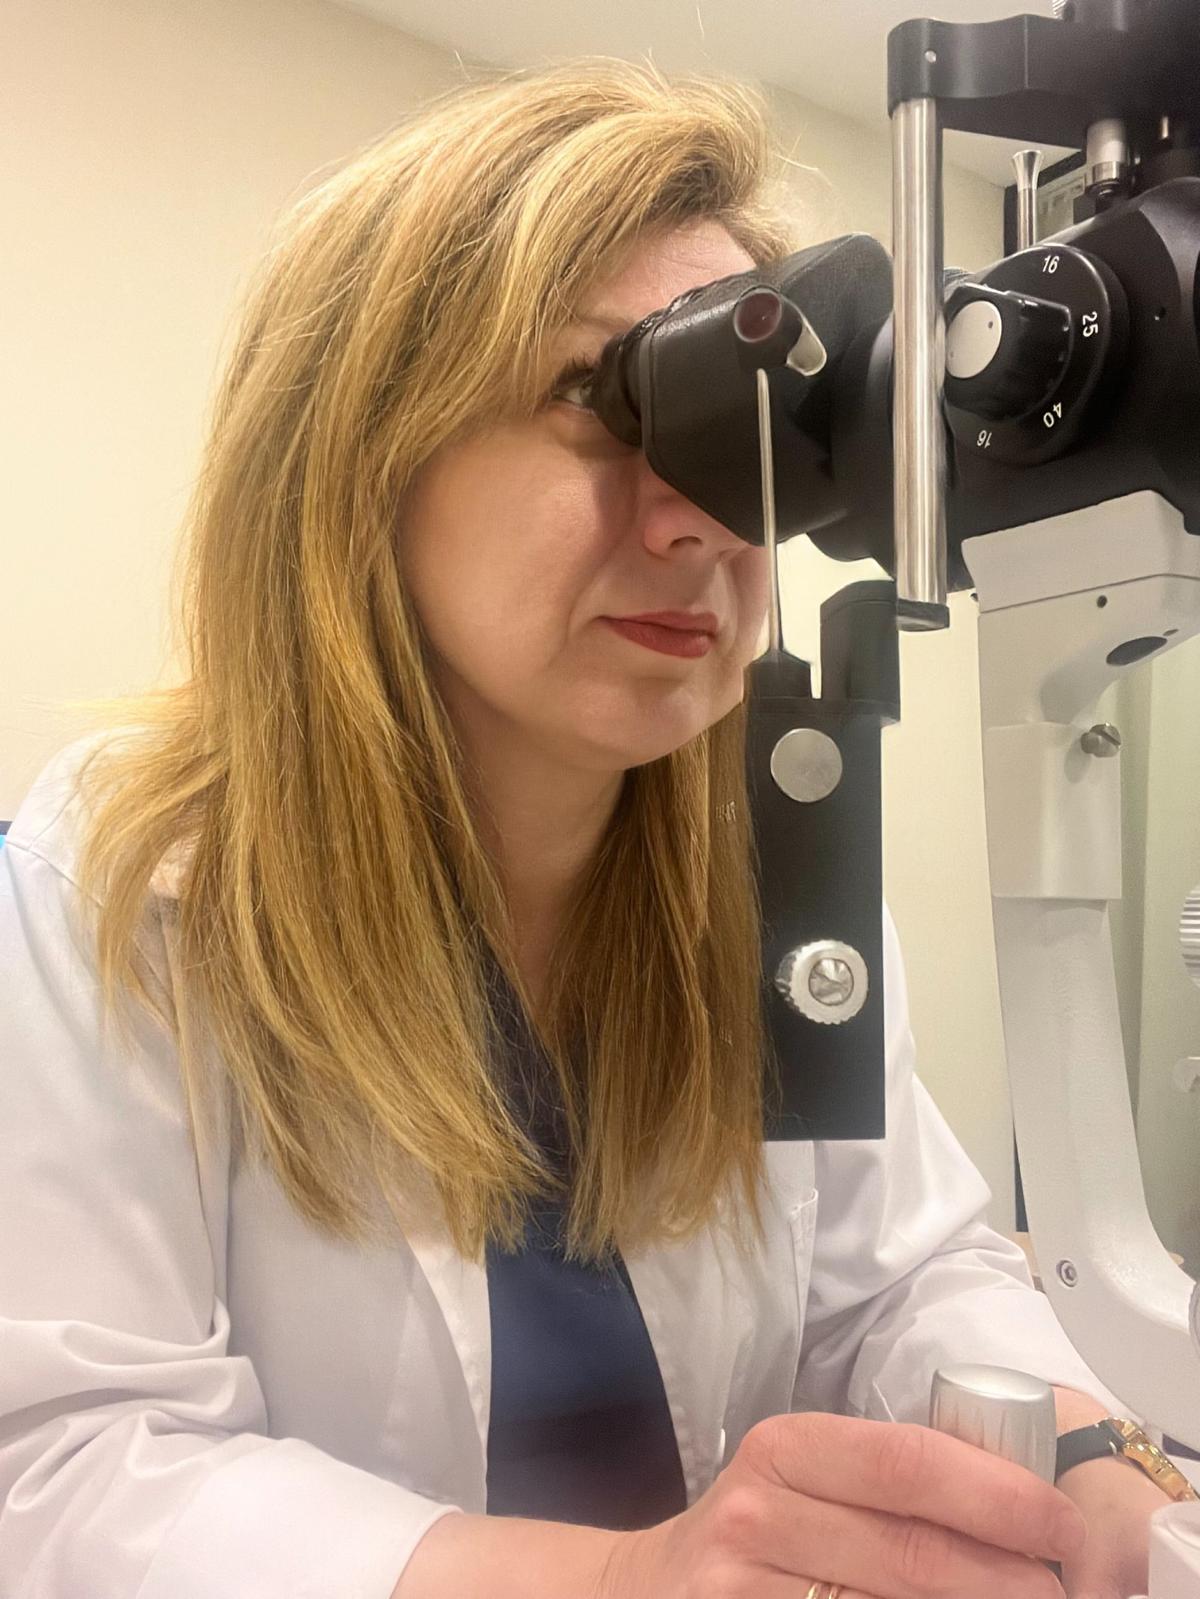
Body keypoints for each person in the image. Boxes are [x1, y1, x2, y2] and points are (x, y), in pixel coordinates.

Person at [0, 58, 1176, 1599]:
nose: (696, 517)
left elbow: (905, 1281)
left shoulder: (777, 860)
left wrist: (1088, 1459)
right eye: (596, 399)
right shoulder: (126, 881)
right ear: (359, 456)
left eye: (748, 423)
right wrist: (631, 1582)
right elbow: (68, 1466)